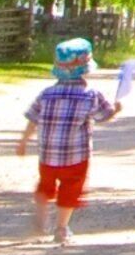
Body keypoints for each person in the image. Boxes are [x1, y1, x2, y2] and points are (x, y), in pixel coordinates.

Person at [19, 39, 118, 244]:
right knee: (70, 189)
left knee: (45, 186)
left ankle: (40, 220)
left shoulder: (46, 94)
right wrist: (117, 108)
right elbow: (104, 116)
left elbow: (32, 118)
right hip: (75, 156)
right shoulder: (90, 94)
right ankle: (61, 229)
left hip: (47, 154)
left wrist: (23, 141)